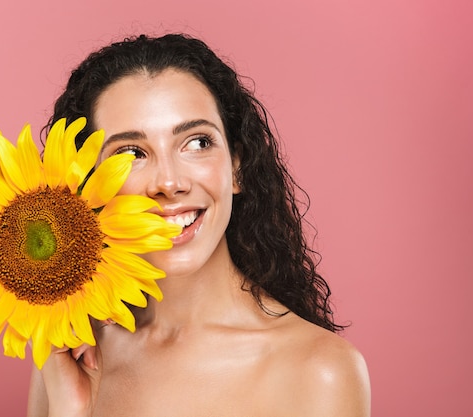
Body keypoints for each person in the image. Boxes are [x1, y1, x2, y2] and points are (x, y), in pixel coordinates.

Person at [27, 33, 370, 417]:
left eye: (197, 143)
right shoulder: (71, 352)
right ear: (88, 187)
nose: (169, 183)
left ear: (237, 167)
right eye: (131, 153)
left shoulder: (318, 370)